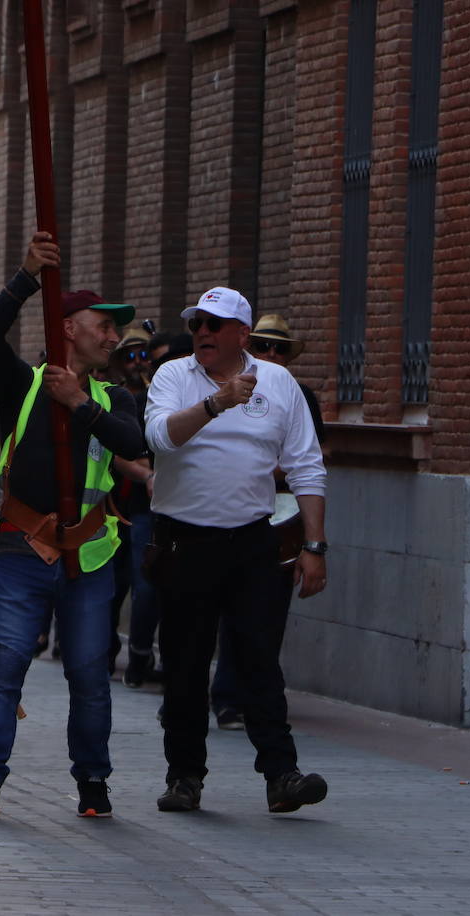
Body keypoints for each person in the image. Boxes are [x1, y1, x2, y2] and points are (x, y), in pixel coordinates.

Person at [0, 232, 143, 820]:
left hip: (89, 556)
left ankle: (93, 782)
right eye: (104, 326)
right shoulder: (23, 384)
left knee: (90, 674)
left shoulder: (114, 399)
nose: (113, 337)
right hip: (22, 549)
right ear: (68, 327)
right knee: (5, 668)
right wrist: (25, 277)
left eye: (115, 329)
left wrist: (79, 405)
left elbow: (132, 444)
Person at [146, 287, 329, 815]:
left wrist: (314, 545)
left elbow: (306, 465)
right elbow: (159, 438)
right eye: (196, 323)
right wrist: (215, 403)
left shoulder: (278, 382)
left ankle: (282, 775)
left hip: (253, 540)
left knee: (259, 661)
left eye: (213, 324)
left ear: (242, 334)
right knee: (185, 665)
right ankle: (184, 777)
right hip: (185, 542)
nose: (201, 332)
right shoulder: (173, 375)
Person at [209, 313, 327, 730]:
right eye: (263, 346)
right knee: (226, 607)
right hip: (230, 513)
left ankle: (260, 702)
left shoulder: (300, 395)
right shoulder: (224, 389)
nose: (272, 354)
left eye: (280, 348)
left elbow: (312, 458)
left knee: (269, 609)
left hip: (284, 514)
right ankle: (223, 697)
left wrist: (314, 542)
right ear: (248, 347)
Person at [105, 325, 161, 688]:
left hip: (145, 509)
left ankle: (140, 656)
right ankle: (107, 652)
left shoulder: (157, 399)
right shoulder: (117, 399)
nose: (138, 362)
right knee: (114, 584)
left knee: (146, 585)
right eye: (130, 356)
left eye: (144, 355)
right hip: (117, 505)